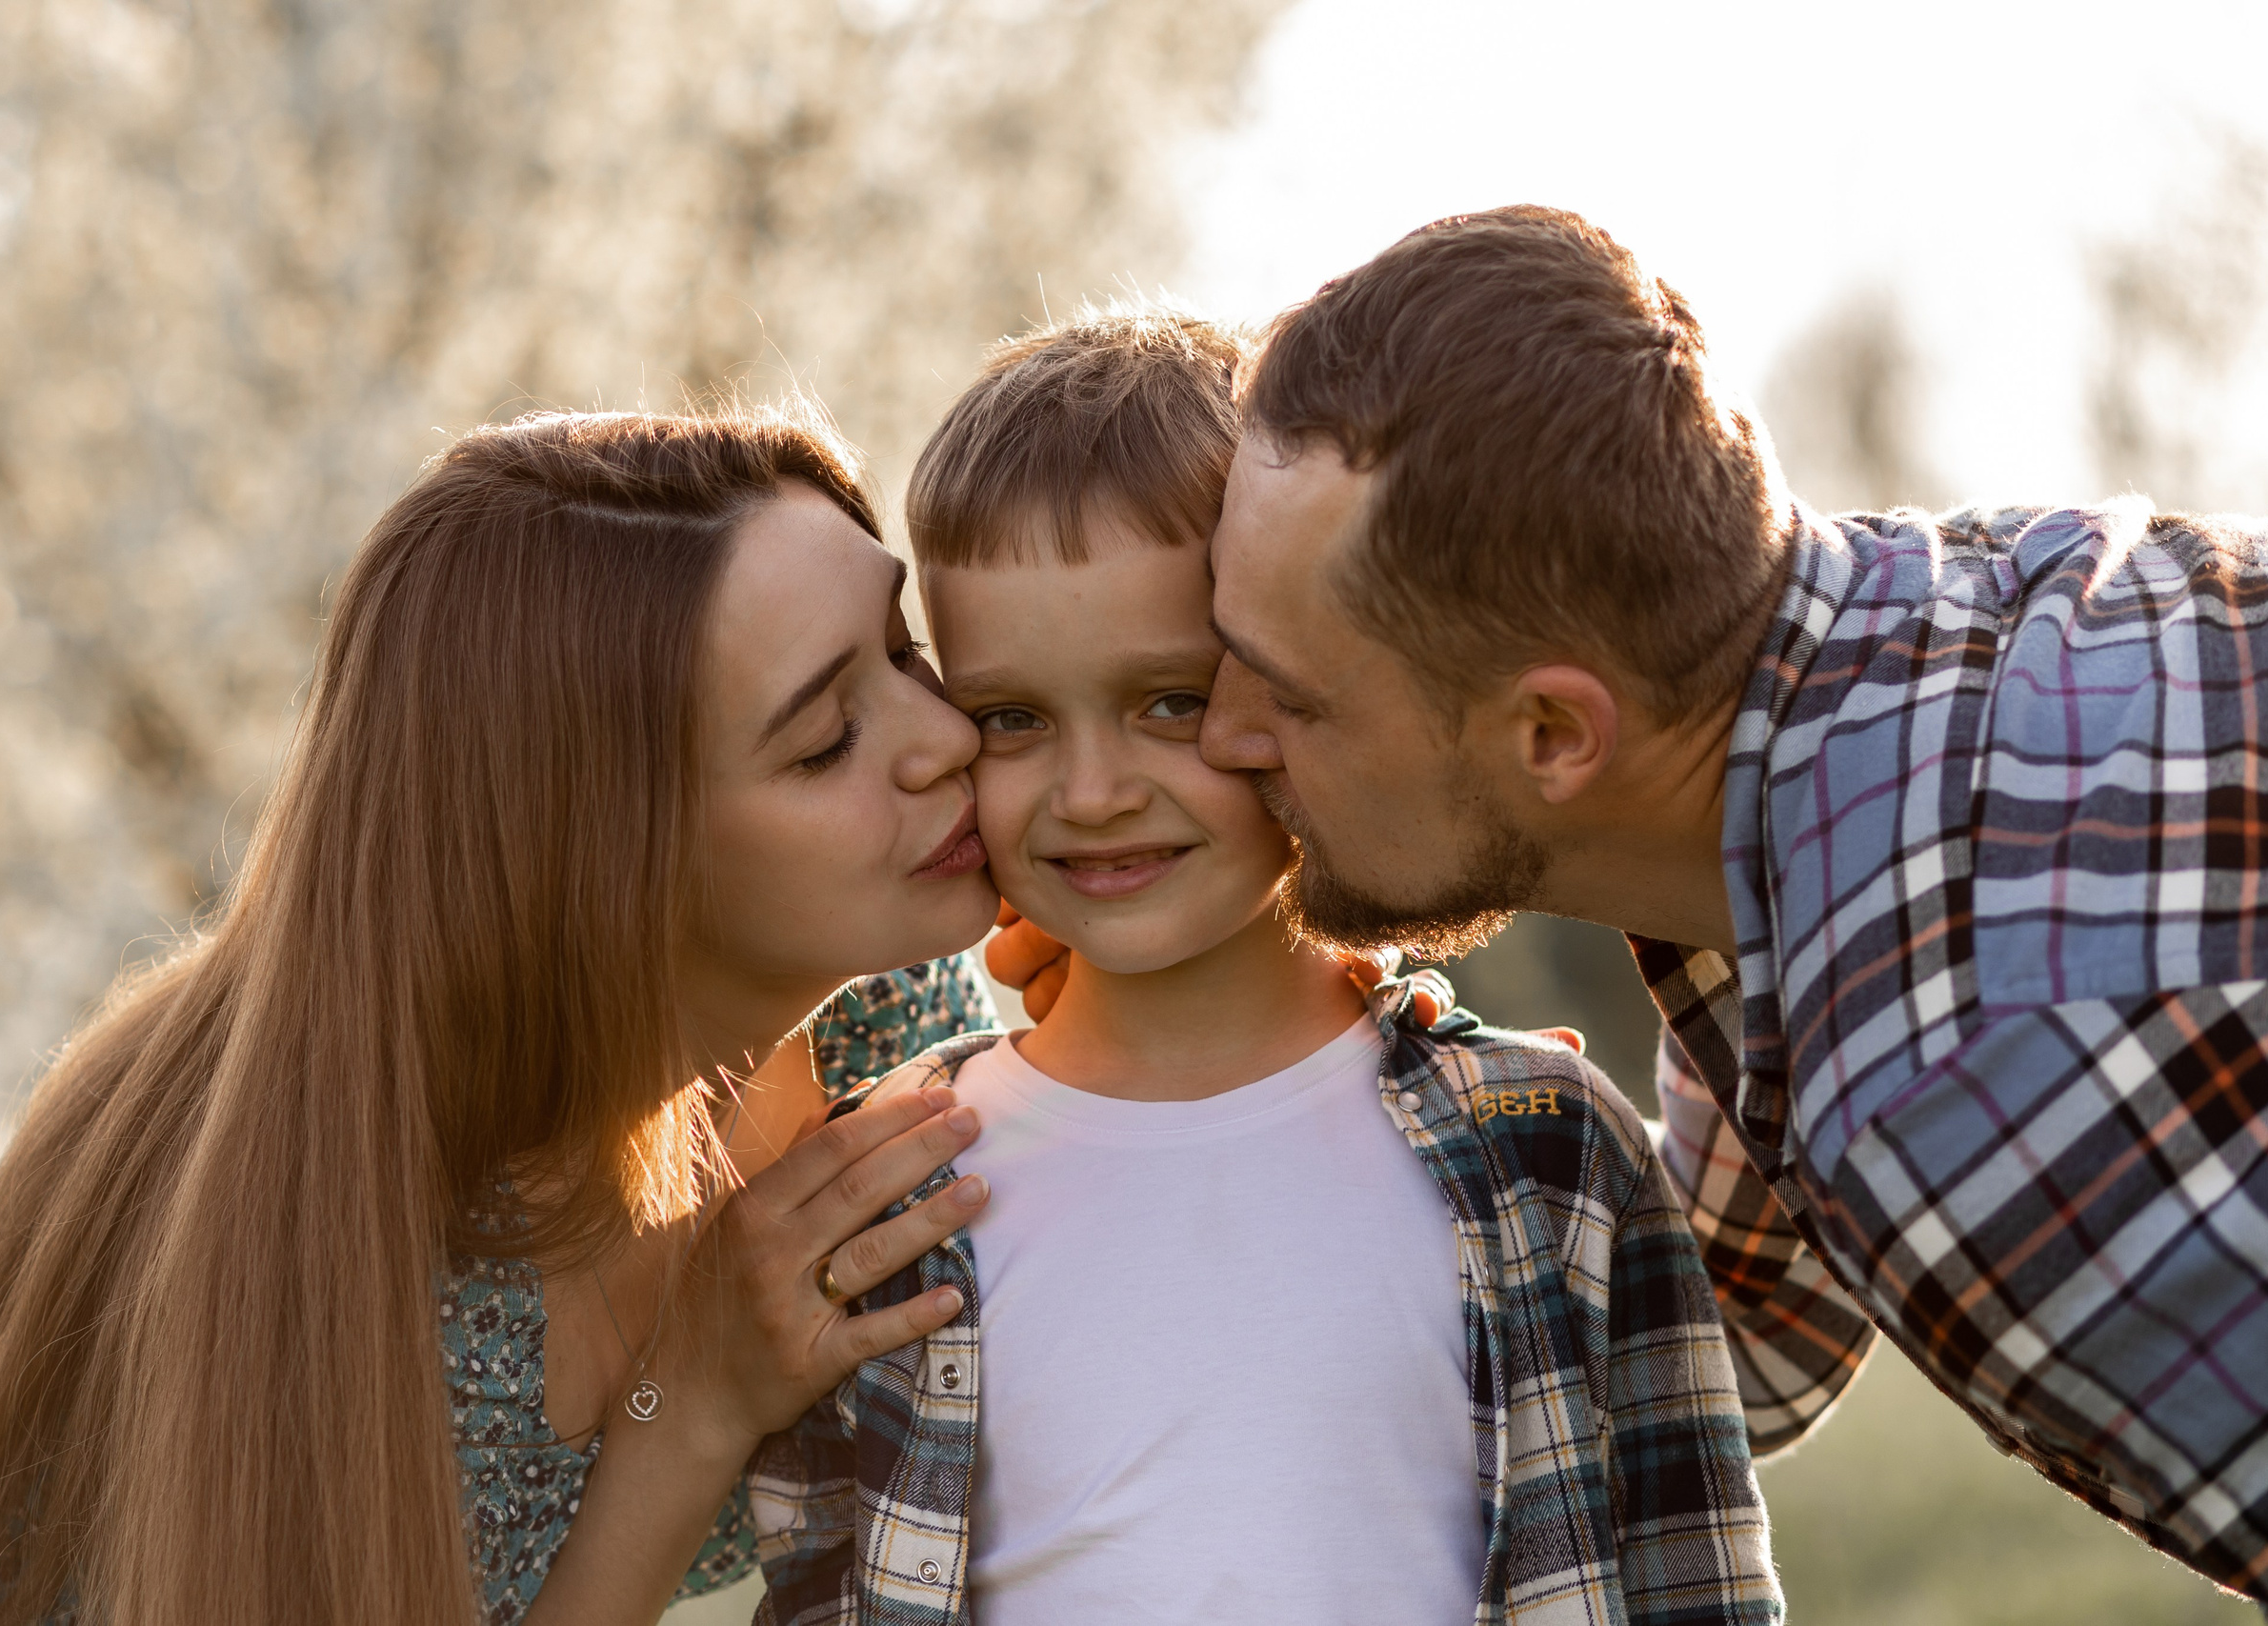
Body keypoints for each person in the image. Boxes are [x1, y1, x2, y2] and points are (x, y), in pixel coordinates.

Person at [1151, 205, 2268, 1619]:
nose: (1222, 738)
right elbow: (1728, 1345)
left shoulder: (1949, 1060)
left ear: (1555, 736)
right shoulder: (1911, 652)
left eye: (1293, 692)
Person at [0, 409, 1007, 1626]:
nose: (947, 738)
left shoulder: (883, 1034)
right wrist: (689, 1412)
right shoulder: (357, 1281)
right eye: (826, 741)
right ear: (603, 862)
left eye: (905, 649)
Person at [751, 308, 1781, 1624]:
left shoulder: (1545, 1143)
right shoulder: (888, 1189)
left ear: (1292, 679)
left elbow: (1695, 1571)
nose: (1093, 789)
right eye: (1013, 716)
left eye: (1169, 699)